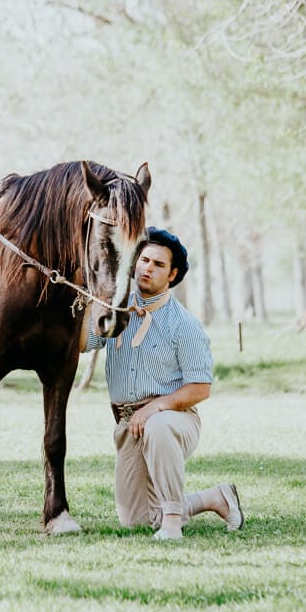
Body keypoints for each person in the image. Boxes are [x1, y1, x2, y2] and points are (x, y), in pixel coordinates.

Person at [84, 227, 244, 540]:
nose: (147, 268)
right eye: (143, 260)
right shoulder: (115, 311)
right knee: (137, 520)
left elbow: (201, 387)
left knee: (157, 426)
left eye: (158, 264)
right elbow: (84, 343)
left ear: (171, 275)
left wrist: (156, 407)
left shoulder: (184, 324)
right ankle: (214, 498)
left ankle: (173, 520)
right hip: (127, 425)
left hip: (174, 420)